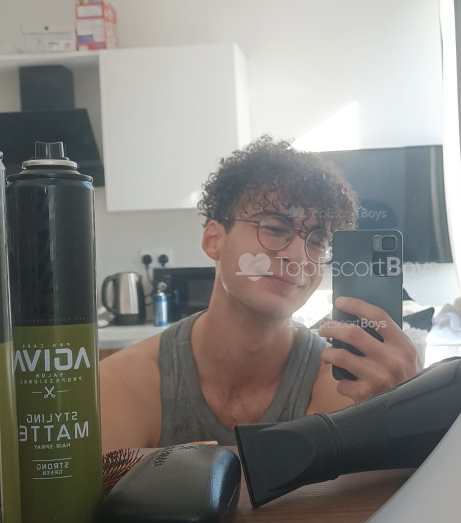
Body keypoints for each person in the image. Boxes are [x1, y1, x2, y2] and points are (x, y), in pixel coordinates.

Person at [99, 136, 421, 450]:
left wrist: (406, 418)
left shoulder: (344, 385)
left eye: (317, 241)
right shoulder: (123, 382)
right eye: (275, 228)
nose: (298, 256)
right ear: (214, 240)